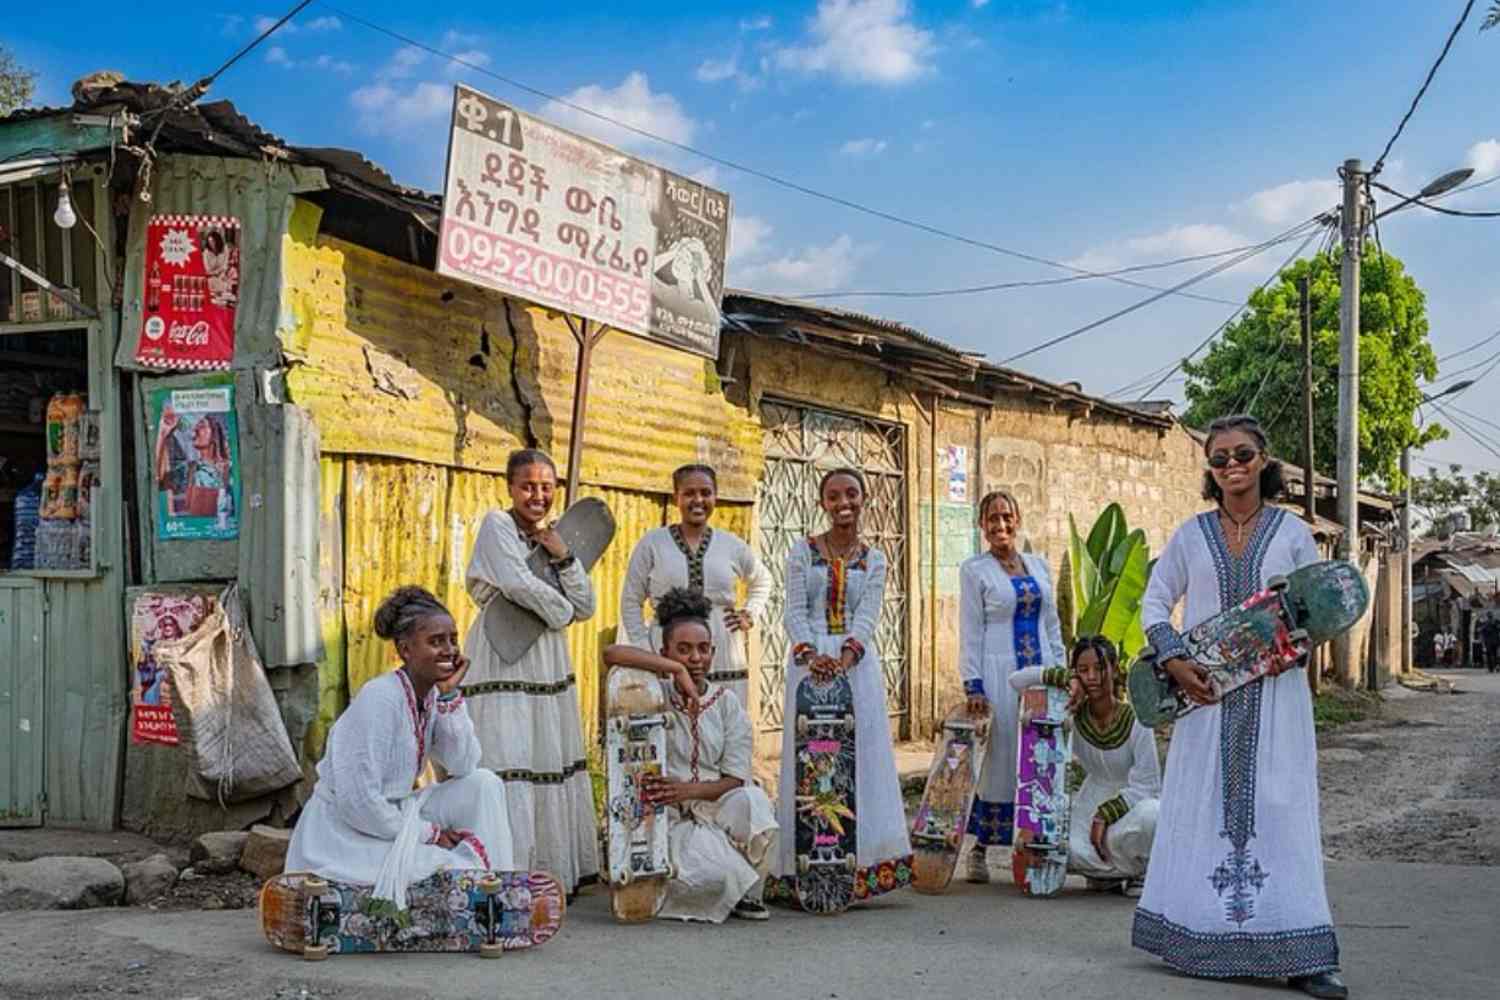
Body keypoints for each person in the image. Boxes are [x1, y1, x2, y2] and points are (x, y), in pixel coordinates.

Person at [1132, 414, 1346, 999]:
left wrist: (1292, 650)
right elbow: (1154, 601)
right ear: (1210, 468)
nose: (1232, 466)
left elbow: (1318, 610)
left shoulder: (1292, 533)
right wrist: (1175, 660)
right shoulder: (1190, 535)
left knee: (1283, 812)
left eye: (1243, 455)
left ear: (1264, 460)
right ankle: (1196, 937)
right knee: (1200, 810)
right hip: (1205, 702)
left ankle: (1305, 955)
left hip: (1276, 699)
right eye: (1220, 458)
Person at [286, 586, 513, 886]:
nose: (449, 650)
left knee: (484, 784)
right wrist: (428, 834)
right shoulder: (379, 698)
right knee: (443, 866)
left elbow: (463, 764)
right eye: (436, 641)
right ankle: (479, 887)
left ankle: (498, 888)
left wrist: (449, 697)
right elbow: (358, 802)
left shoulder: (432, 695)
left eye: (452, 640)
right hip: (345, 832)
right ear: (405, 650)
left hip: (396, 813)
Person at [767, 467, 913, 905]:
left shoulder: (875, 559)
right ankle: (805, 868)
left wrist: (845, 660)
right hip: (808, 667)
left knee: (859, 758)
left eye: (851, 493)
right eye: (834, 496)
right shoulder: (802, 551)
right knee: (810, 761)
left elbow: (868, 616)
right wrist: (813, 657)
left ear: (864, 499)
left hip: (857, 669)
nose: (843, 502)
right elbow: (794, 611)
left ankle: (860, 866)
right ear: (822, 503)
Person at [460, 449, 598, 895]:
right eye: (528, 486)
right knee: (509, 752)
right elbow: (517, 584)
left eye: (546, 487)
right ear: (510, 487)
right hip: (503, 651)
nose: (537, 495)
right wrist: (561, 611)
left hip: (547, 657)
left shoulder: (555, 537)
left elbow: (587, 606)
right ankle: (506, 872)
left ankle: (550, 873)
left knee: (544, 753)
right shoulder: (496, 526)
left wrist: (564, 557)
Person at [602, 587, 779, 923]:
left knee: (754, 802)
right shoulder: (653, 694)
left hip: (716, 807)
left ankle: (743, 889)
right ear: (664, 652)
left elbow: (734, 779)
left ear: (713, 652)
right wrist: (675, 671)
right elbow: (611, 653)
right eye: (683, 650)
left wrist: (687, 790)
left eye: (702, 649)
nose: (695, 658)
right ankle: (732, 886)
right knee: (716, 873)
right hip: (673, 818)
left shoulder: (727, 704)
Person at [957, 490, 1067, 884]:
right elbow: (971, 630)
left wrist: (1062, 672)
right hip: (998, 675)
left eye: (1007, 516)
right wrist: (973, 685)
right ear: (981, 525)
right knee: (997, 761)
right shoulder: (975, 570)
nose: (1000, 524)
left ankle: (1036, 848)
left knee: (1040, 758)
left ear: (1017, 520)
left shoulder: (1039, 565)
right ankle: (980, 849)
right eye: (992, 518)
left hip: (1041, 676)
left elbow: (1052, 624)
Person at [1007, 636, 1160, 895]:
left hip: (1131, 804)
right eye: (1083, 670)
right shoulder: (1071, 713)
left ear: (1114, 669)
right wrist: (1065, 678)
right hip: (1090, 799)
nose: (1092, 677)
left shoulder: (1136, 721)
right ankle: (1109, 874)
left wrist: (1105, 815)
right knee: (1054, 844)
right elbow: (1016, 680)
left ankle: (1139, 872)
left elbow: (1149, 786)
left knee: (1153, 816)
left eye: (1099, 668)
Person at [620, 463, 772, 708]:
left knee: (723, 714)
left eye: (706, 493)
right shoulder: (652, 543)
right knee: (671, 716)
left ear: (715, 496)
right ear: (676, 498)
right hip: (667, 649)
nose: (698, 500)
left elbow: (763, 581)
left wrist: (750, 613)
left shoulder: (731, 545)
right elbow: (630, 599)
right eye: (689, 493)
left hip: (722, 648)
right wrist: (644, 649)